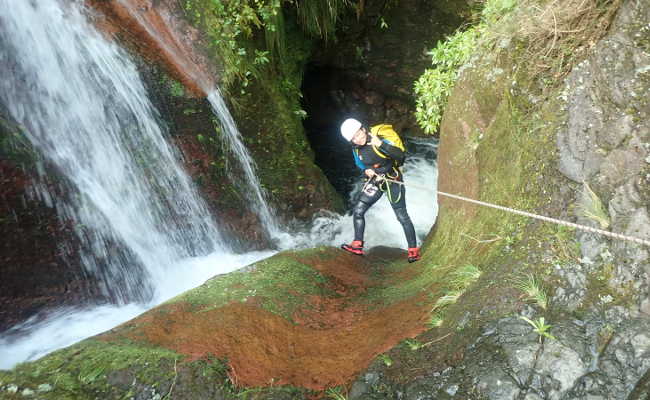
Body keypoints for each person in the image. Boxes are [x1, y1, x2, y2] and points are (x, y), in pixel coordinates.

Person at [339, 118, 421, 263]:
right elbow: (361, 165)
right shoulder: (356, 149)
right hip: (376, 181)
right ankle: (357, 244)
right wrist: (367, 171)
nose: (357, 139)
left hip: (392, 179)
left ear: (363, 129)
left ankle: (413, 251)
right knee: (358, 211)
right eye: (353, 138)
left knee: (402, 216)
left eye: (358, 134)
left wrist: (381, 144)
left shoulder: (378, 140)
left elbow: (400, 156)